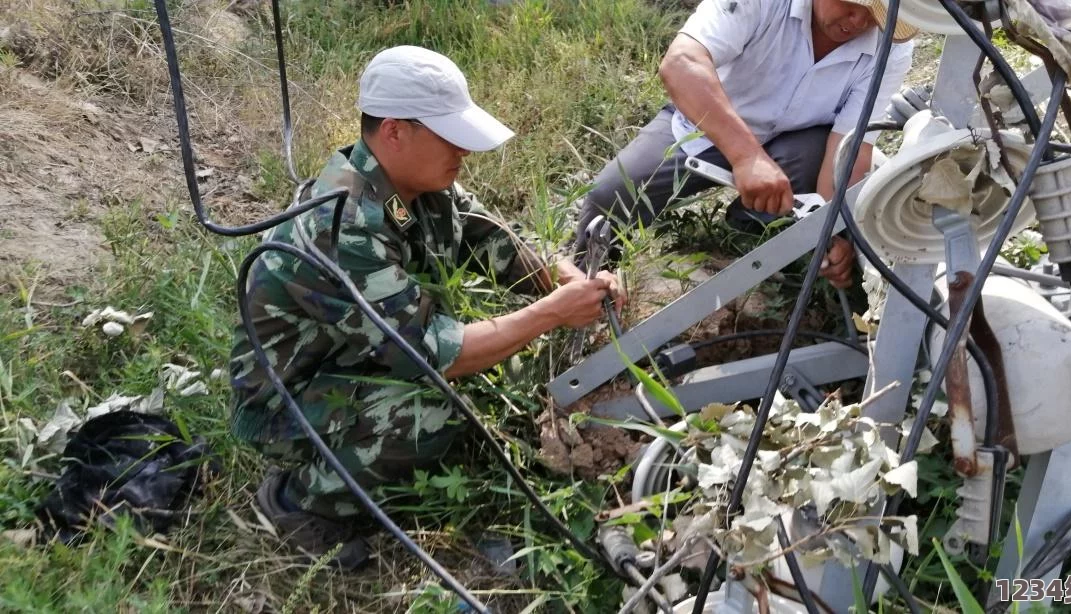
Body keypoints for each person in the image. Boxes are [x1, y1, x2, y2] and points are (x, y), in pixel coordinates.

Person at [227, 46, 624, 570]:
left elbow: (497, 243)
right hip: (285, 403)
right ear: (394, 131)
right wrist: (551, 312)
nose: (465, 151)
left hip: (346, 359)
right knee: (433, 414)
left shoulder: (418, 186)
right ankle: (300, 499)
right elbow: (434, 356)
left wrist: (572, 278)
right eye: (449, 136)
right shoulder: (343, 223)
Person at [573, 0, 917, 288]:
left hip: (798, 145)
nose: (858, 21)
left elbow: (850, 148)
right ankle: (580, 285)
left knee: (816, 172)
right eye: (852, 4)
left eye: (875, 15)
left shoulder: (890, 48)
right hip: (709, 122)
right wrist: (747, 157)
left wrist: (830, 233)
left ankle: (747, 231)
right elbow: (682, 63)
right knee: (611, 195)